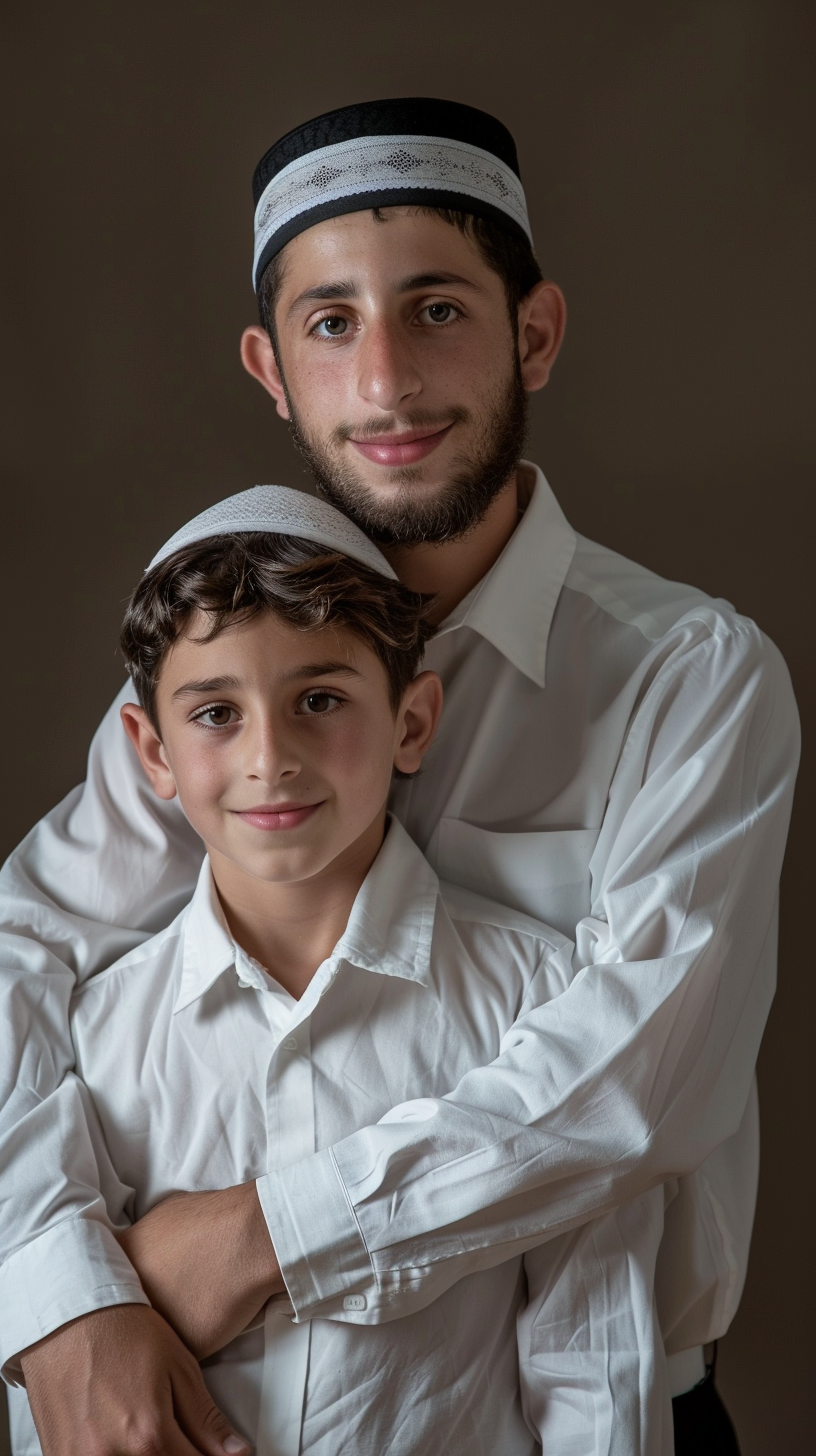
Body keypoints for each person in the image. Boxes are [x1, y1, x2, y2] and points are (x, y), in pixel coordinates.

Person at [0, 98, 799, 1454]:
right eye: (330, 323)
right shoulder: (207, 682)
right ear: (269, 366)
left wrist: (263, 1238)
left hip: (574, 1401)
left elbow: (640, 1077)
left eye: (436, 310)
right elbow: (25, 950)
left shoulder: (688, 674)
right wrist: (60, 1295)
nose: (383, 383)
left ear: (532, 332)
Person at [10, 485, 670, 1455]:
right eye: (217, 713)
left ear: (412, 721)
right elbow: (71, 1405)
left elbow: (593, 1368)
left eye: (319, 700)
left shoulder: (540, 998)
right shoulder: (93, 1038)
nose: (270, 757)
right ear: (151, 751)